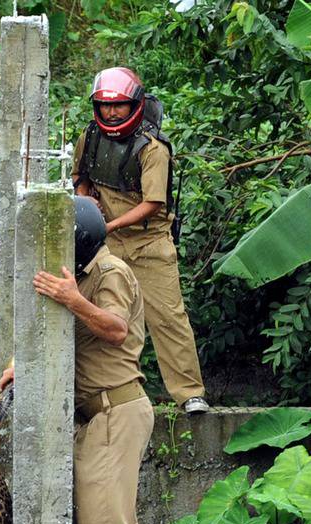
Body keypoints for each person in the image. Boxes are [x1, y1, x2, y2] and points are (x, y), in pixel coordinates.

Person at [0, 197, 152, 524]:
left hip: (115, 412)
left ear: (80, 238)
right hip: (91, 419)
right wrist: (20, 366)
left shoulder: (109, 271)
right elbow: (53, 333)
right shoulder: (78, 276)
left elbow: (116, 329)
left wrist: (73, 299)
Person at [71, 66, 209, 415]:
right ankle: (110, 393)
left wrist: (110, 225)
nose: (112, 112)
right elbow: (81, 178)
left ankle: (189, 393)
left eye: (118, 105)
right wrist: (86, 204)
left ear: (135, 105)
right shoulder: (90, 135)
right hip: (105, 241)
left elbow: (153, 204)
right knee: (105, 316)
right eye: (105, 105)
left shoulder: (153, 148)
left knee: (168, 317)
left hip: (148, 243)